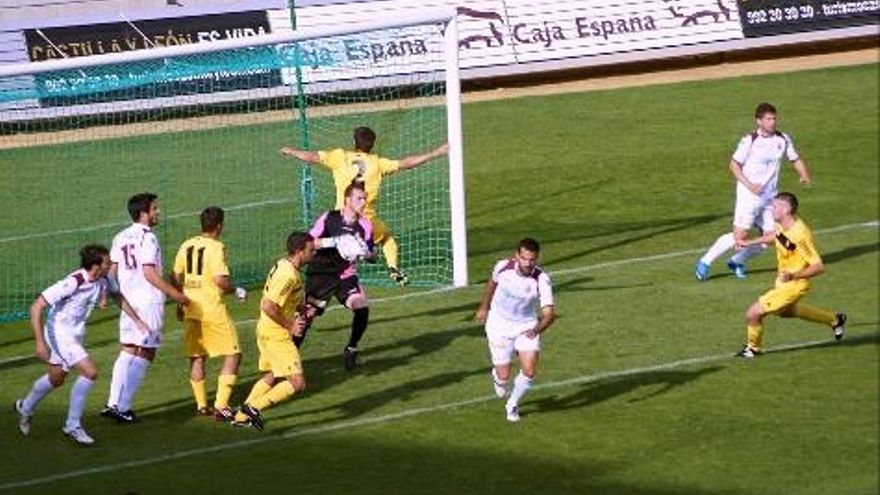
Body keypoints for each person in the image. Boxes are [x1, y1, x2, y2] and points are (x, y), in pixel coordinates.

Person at [14, 245, 151, 445]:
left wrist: (138, 321)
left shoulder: (103, 279)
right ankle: (72, 425)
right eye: (106, 262)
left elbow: (117, 297)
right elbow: (36, 307)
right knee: (90, 372)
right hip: (59, 334)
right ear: (96, 266)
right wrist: (40, 343)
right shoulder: (73, 282)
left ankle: (25, 407)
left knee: (57, 378)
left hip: (75, 335)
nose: (110, 264)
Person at [280, 126, 448, 286]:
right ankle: (393, 268)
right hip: (367, 222)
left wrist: (292, 151)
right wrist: (436, 153)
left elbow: (313, 157)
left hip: (339, 219)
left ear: (355, 142)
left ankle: (297, 269)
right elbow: (406, 163)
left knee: (314, 244)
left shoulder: (340, 156)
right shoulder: (378, 163)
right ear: (372, 144)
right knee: (387, 238)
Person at [695, 103, 812, 281]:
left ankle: (737, 261)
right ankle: (705, 262)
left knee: (772, 237)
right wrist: (750, 185)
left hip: (770, 197)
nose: (772, 122)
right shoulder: (750, 140)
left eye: (774, 118)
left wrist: (803, 174)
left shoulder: (783, 139)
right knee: (739, 236)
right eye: (768, 119)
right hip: (748, 196)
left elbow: (794, 158)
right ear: (759, 121)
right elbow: (733, 165)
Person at [102, 192, 190, 423]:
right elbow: (149, 274)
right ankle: (124, 406)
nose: (158, 212)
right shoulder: (148, 238)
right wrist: (178, 296)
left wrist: (107, 295)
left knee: (128, 349)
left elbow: (111, 272)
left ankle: (113, 403)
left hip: (128, 302)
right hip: (148, 301)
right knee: (147, 352)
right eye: (154, 209)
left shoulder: (120, 236)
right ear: (143, 213)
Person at [734, 192, 846, 358]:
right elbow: (777, 237)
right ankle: (834, 319)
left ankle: (753, 348)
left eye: (775, 206)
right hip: (783, 282)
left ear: (786, 209)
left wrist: (794, 276)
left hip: (794, 285)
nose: (771, 209)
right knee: (787, 312)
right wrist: (749, 242)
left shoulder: (800, 234)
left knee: (753, 313)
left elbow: (819, 266)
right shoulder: (783, 225)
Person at [232, 231, 315, 430]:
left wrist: (300, 307)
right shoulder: (288, 275)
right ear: (298, 251)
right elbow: (268, 305)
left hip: (265, 330)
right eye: (310, 250)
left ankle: (241, 417)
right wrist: (290, 325)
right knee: (297, 383)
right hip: (276, 335)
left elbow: (280, 299)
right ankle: (253, 408)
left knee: (273, 376)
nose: (314, 254)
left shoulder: (284, 265)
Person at [171, 207, 248, 421]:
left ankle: (202, 405)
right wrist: (236, 289)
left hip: (190, 308)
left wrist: (180, 300)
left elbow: (175, 275)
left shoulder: (187, 244)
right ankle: (222, 405)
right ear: (220, 226)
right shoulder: (216, 247)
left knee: (197, 356)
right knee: (234, 354)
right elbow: (220, 281)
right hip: (211, 309)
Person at [475, 238, 555, 422]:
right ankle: (498, 377)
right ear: (517, 255)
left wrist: (536, 330)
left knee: (529, 370)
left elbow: (549, 314)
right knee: (504, 375)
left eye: (532, 259)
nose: (528, 263)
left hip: (526, 326)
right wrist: (484, 307)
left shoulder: (541, 279)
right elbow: (491, 284)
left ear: (537, 258)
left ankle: (513, 404)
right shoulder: (503, 267)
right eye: (524, 258)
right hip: (499, 324)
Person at [303, 181, 378, 371]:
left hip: (345, 276)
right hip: (321, 276)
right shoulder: (329, 218)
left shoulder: (365, 225)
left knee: (361, 307)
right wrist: (337, 241)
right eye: (359, 198)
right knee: (306, 317)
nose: (363, 202)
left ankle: (351, 348)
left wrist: (367, 253)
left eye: (364, 198)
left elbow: (372, 255)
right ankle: (288, 358)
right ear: (347, 200)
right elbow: (309, 243)